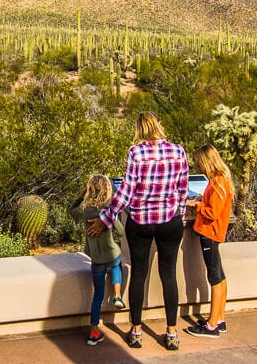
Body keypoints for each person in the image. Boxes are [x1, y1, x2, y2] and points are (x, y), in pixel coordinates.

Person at [87, 111, 189, 351]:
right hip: (170, 221)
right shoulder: (178, 151)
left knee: (139, 274)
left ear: (140, 129)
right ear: (158, 125)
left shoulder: (136, 152)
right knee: (169, 275)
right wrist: (180, 215)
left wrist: (105, 217)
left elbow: (127, 191)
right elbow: (182, 188)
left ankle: (136, 331)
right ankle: (172, 333)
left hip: (141, 221)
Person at [69, 174, 126, 346]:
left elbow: (71, 210)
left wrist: (80, 196)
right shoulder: (107, 212)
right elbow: (121, 232)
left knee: (98, 295)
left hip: (96, 259)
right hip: (111, 253)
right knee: (118, 263)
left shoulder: (86, 211)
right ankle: (117, 295)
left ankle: (94, 332)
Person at [184, 144, 234, 338]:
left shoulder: (218, 183)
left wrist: (197, 205)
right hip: (213, 233)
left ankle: (212, 325)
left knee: (214, 277)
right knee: (219, 275)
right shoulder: (221, 180)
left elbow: (212, 212)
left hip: (210, 233)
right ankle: (219, 318)